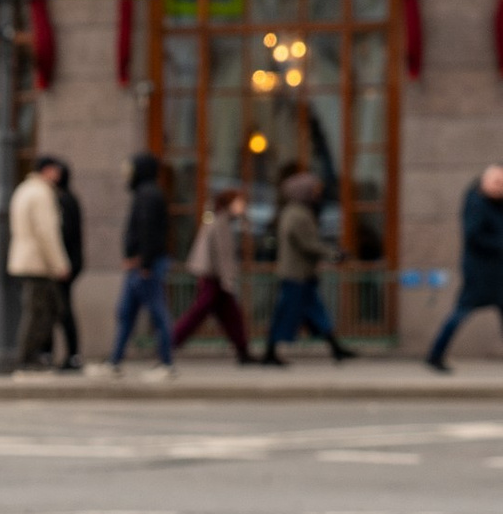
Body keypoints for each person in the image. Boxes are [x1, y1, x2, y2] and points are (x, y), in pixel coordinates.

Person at [261, 168, 351, 364]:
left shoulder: (297, 212)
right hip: (296, 274)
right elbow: (308, 243)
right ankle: (270, 352)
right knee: (288, 313)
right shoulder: (298, 214)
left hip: (302, 274)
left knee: (315, 313)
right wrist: (334, 254)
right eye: (314, 190)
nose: (318, 194)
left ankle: (335, 348)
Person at [425, 165, 503, 370]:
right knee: (460, 312)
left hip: (496, 272)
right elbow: (474, 236)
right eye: (497, 182)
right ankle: (435, 354)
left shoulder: (495, 204)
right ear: (485, 181)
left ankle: (435, 355)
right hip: (480, 273)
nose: (499, 187)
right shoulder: (478, 203)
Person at [108, 150, 176, 374]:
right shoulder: (146, 193)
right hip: (140, 264)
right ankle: (115, 361)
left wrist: (144, 263)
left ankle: (166, 363)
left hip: (145, 265)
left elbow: (149, 232)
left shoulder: (147, 195)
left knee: (156, 312)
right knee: (126, 312)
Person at [172, 185, 252, 362]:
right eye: (239, 202)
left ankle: (243, 350)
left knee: (230, 315)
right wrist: (227, 280)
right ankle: (170, 342)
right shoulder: (220, 223)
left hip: (213, 277)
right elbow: (222, 256)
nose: (243, 206)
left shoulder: (219, 220)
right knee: (200, 312)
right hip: (213, 278)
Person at [8, 154, 69, 369]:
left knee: (40, 310)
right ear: (48, 170)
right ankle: (28, 356)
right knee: (39, 312)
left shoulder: (24, 189)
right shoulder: (42, 193)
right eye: (56, 170)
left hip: (25, 260)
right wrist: (59, 263)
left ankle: (30, 355)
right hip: (37, 263)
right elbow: (47, 232)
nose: (59, 175)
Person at [46, 154, 86, 372]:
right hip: (69, 262)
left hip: (66, 264)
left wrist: (61, 263)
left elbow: (64, 234)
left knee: (62, 310)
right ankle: (69, 355)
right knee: (59, 310)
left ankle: (71, 355)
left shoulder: (63, 199)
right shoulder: (68, 197)